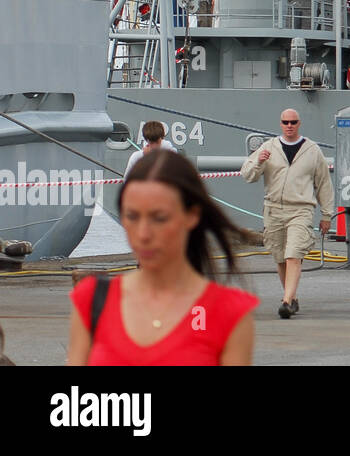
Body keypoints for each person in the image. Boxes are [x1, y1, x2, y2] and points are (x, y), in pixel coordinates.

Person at [68, 151, 256, 365]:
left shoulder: (229, 313)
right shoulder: (92, 301)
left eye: (159, 218)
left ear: (192, 215)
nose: (143, 234)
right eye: (132, 216)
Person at [239, 109, 333, 319]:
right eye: (285, 122)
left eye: (293, 122)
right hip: (274, 209)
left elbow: (324, 183)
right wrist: (259, 161)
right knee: (280, 257)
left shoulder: (312, 150)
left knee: (293, 254)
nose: (289, 125)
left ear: (299, 124)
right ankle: (292, 297)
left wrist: (327, 214)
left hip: (301, 209)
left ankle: (286, 301)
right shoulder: (268, 147)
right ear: (280, 124)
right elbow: (248, 175)